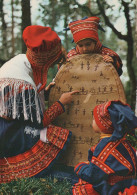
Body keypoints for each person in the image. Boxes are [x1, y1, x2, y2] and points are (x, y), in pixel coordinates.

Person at [0, 25, 78, 183]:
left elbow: (21, 105)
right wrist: (60, 104)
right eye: (50, 63)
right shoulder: (23, 83)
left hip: (9, 125)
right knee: (51, 135)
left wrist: (45, 93)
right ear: (45, 59)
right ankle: (36, 173)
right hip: (7, 134)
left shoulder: (20, 62)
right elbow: (37, 122)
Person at [72, 100, 137, 195]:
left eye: (94, 119)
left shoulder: (105, 146)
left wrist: (80, 167)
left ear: (103, 125)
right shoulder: (123, 141)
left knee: (84, 186)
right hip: (127, 184)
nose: (92, 121)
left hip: (111, 188)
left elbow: (93, 176)